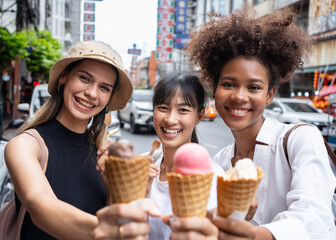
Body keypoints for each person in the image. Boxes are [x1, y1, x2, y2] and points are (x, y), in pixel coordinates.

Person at [167, 6, 336, 240]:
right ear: (214, 90)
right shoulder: (219, 164)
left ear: (270, 94)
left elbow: (314, 217)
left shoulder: (300, 138)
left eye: (254, 87)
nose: (239, 96)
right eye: (228, 84)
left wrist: (255, 235)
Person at [4, 40, 153, 240]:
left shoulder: (103, 155)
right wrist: (106, 232)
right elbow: (39, 205)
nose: (92, 93)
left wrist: (126, 187)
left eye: (104, 88)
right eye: (84, 78)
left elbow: (112, 212)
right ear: (64, 76)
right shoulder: (26, 145)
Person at [146, 72, 225, 240]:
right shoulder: (142, 164)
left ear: (199, 116)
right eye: (163, 108)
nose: (170, 119)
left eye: (183, 110)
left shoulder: (213, 176)